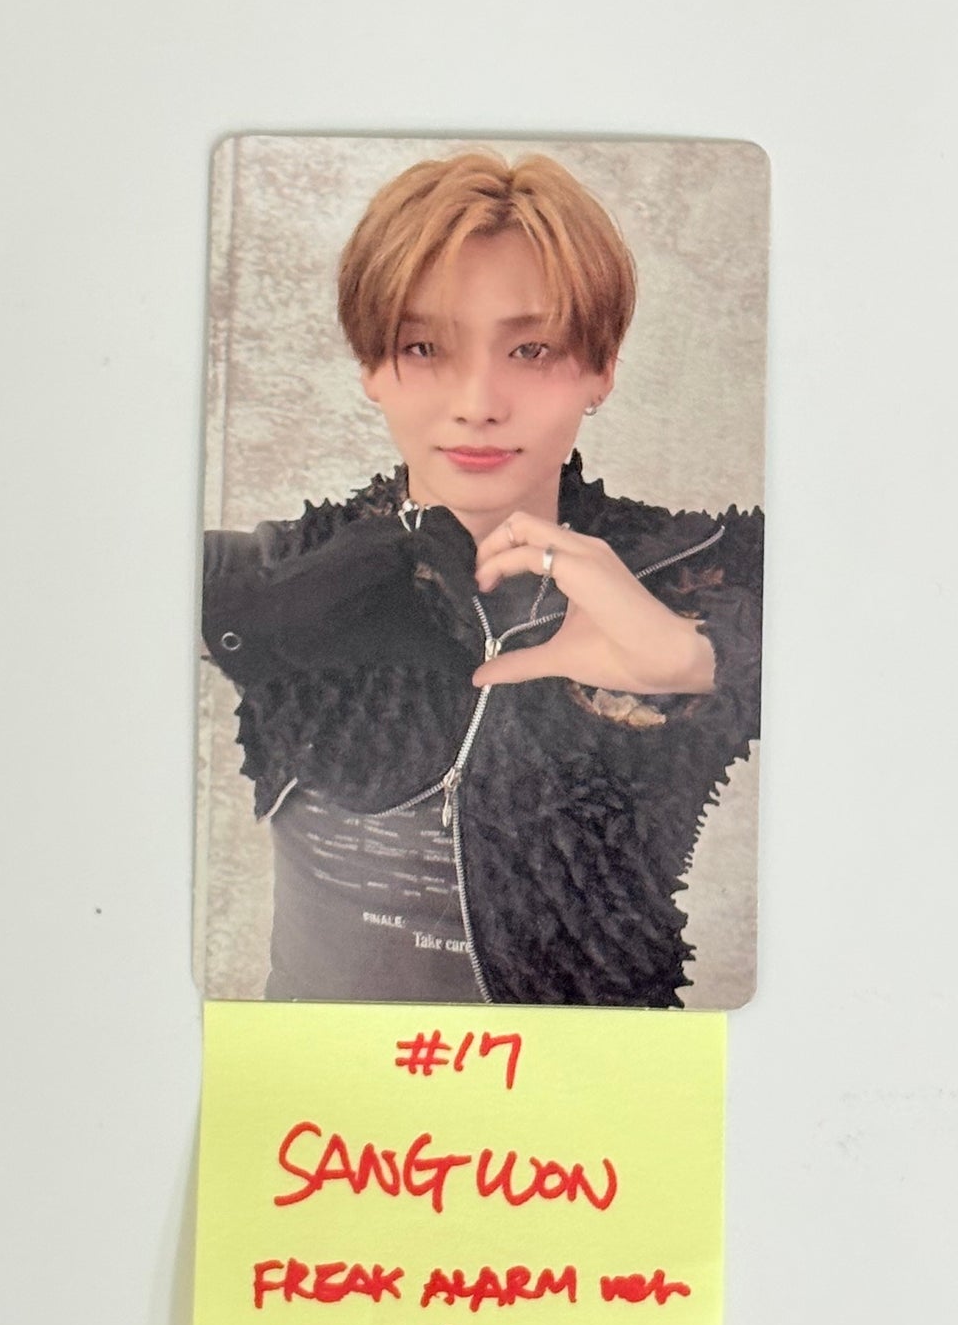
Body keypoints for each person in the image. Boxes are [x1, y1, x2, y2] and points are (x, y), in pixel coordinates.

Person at [202, 149, 763, 1009]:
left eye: (531, 349)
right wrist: (272, 612)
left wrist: (701, 659)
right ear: (371, 367)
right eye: (423, 346)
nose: (477, 401)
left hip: (598, 1092)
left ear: (601, 368)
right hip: (322, 1088)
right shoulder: (289, 568)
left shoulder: (692, 570)